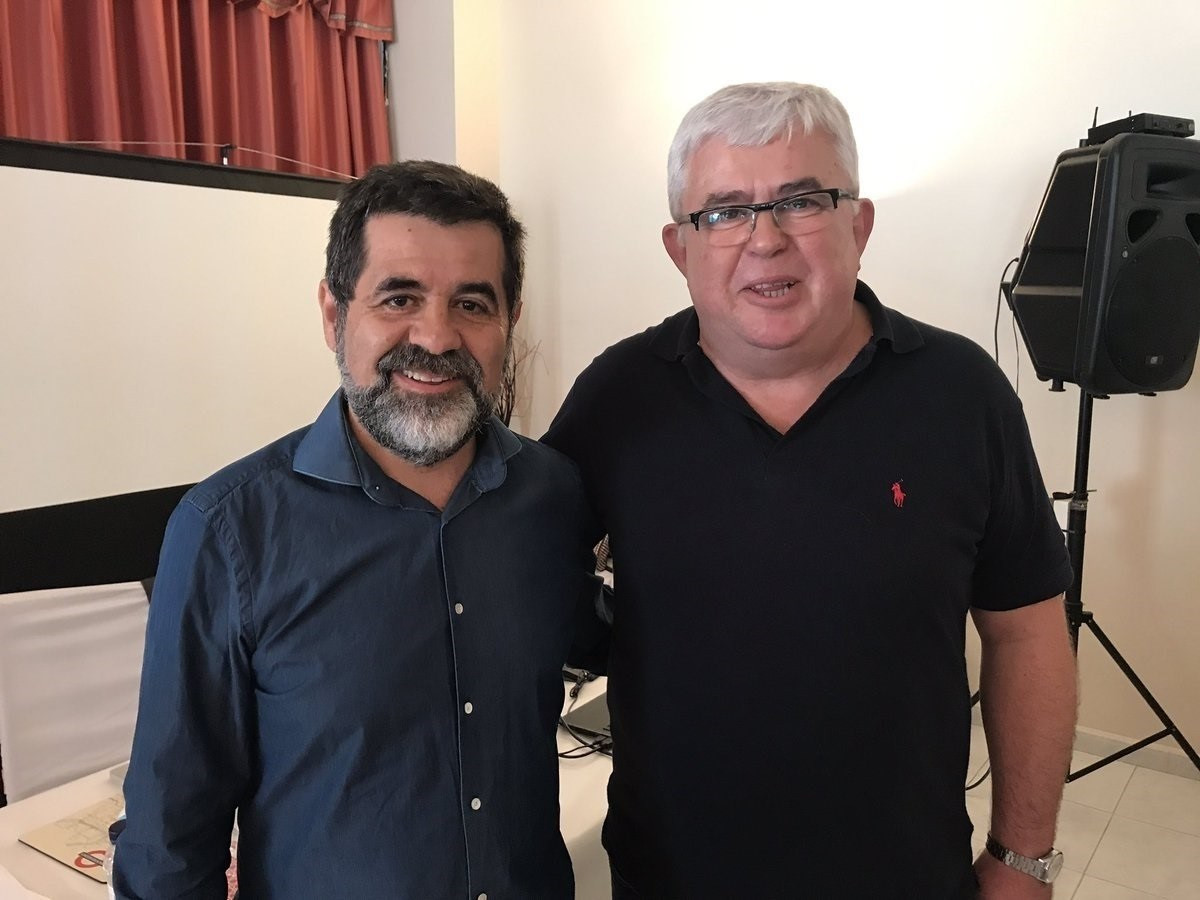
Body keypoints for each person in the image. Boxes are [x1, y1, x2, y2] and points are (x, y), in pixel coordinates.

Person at [545, 82, 1078, 899]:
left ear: (858, 226)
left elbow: (1028, 634)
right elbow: (526, 571)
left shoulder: (962, 395)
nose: (765, 240)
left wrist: (1024, 856)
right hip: (671, 879)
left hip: (905, 878)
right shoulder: (617, 398)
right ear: (680, 248)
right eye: (724, 211)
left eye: (801, 201)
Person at [115, 161, 598, 899]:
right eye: (398, 297)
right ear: (334, 314)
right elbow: (169, 843)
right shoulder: (229, 531)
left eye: (472, 303)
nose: (436, 336)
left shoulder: (552, 495)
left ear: (510, 320)